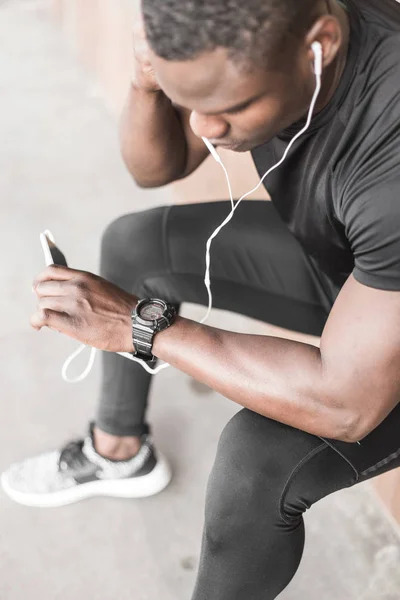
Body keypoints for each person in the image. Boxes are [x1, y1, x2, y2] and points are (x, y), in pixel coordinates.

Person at [2, 0, 400, 597]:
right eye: (197, 102)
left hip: (379, 323)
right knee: (136, 246)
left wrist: (140, 326)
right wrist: (146, 81)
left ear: (319, 45)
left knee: (256, 459)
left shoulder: (389, 158)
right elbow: (154, 166)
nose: (206, 128)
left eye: (232, 107)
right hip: (361, 268)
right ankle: (119, 452)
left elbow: (345, 405)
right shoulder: (253, 42)